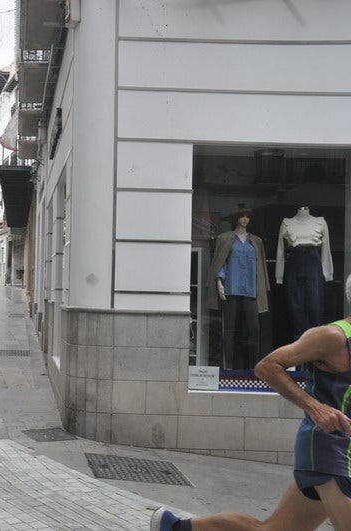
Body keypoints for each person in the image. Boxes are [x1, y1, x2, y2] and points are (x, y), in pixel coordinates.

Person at [151, 275, 351, 531]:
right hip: (329, 450)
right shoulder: (333, 337)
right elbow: (267, 366)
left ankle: (175, 528)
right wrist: (316, 407)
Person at [206, 206, 270, 370]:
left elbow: (261, 267)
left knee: (254, 328)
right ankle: (228, 366)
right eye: (242, 216)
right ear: (236, 218)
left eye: (248, 216)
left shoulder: (256, 241)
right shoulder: (224, 238)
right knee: (229, 329)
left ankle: (254, 367)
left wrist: (262, 287)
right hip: (231, 287)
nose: (245, 219)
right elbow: (221, 262)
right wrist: (219, 281)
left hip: (251, 289)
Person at [275, 206, 333, 341]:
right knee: (295, 306)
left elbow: (326, 249)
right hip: (294, 261)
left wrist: (327, 273)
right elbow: (280, 250)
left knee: (315, 305)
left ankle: (315, 343)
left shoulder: (320, 222)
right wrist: (279, 275)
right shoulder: (287, 223)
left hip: (313, 261)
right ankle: (298, 343)